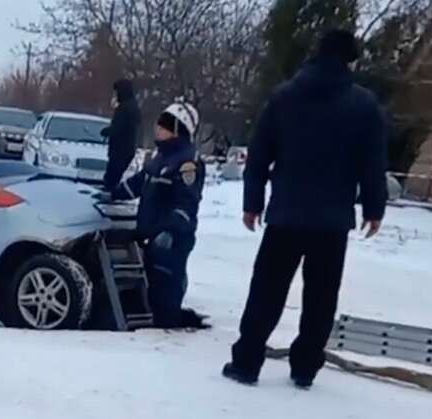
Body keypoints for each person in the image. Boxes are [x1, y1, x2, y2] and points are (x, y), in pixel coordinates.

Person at [222, 29, 388, 388]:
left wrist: (253, 203)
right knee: (321, 296)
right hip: (332, 220)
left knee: (266, 290)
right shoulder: (364, 105)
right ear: (351, 60)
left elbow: (259, 154)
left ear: (315, 53)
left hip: (286, 214)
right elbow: (373, 162)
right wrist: (374, 208)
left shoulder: (285, 96)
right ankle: (305, 366)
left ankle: (247, 361)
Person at [99, 100, 209, 330]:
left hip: (172, 240)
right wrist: (112, 194)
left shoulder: (188, 163)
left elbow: (187, 204)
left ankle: (170, 327)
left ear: (178, 130)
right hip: (151, 236)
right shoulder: (158, 159)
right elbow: (137, 184)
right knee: (152, 291)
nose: (158, 129)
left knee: (166, 291)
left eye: (165, 126)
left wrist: (170, 231)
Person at [101, 79, 142, 191]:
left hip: (121, 149)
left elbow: (120, 127)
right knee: (113, 176)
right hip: (125, 148)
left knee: (112, 177)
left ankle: (110, 195)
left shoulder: (125, 108)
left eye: (117, 92)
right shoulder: (131, 106)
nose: (115, 95)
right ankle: (110, 192)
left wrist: (107, 131)